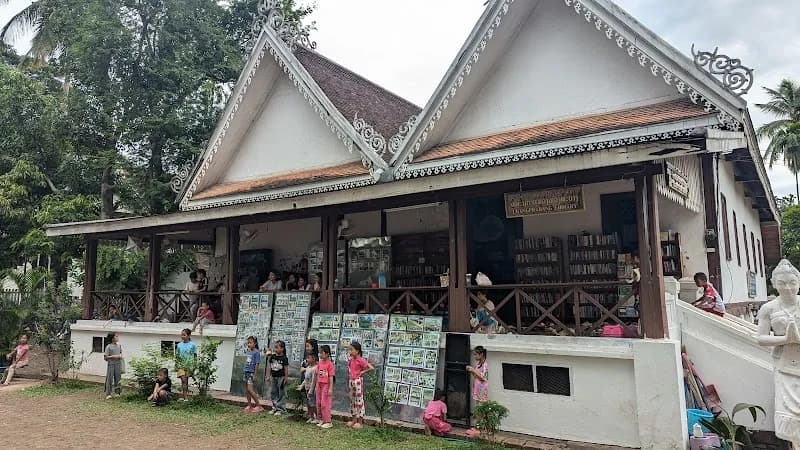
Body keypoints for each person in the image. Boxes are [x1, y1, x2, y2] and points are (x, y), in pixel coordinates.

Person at [757, 259, 800, 447]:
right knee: (790, 418)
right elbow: (761, 338)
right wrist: (785, 340)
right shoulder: (769, 308)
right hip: (784, 368)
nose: (788, 288)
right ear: (774, 284)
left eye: (792, 283)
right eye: (782, 284)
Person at [346, 341, 374, 429]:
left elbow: (371, 368)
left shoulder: (360, 360)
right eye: (349, 350)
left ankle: (360, 422)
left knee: (359, 401)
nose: (350, 352)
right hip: (351, 380)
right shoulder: (351, 360)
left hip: (357, 381)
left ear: (357, 351)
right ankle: (354, 420)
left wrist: (362, 372)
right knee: (352, 400)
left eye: (351, 350)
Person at [465, 346, 488, 437]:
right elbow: (477, 376)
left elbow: (483, 377)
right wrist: (472, 371)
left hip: (482, 390)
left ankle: (480, 428)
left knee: (480, 409)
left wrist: (473, 370)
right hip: (477, 389)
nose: (474, 357)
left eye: (475, 355)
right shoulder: (479, 364)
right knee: (478, 409)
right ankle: (478, 427)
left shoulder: (485, 364)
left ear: (481, 354)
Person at [266, 340, 289, 415]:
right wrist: (268, 376)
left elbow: (286, 368)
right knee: (273, 392)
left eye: (277, 347)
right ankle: (275, 407)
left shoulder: (284, 358)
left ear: (282, 349)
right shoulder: (273, 357)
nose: (275, 349)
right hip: (273, 377)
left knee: (281, 393)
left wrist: (286, 378)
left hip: (281, 377)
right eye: (274, 348)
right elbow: (270, 366)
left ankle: (281, 409)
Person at [315, 345, 335, 429]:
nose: (320, 354)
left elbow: (331, 377)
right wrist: (316, 385)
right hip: (319, 384)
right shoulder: (319, 363)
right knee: (319, 402)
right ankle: (321, 419)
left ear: (327, 354)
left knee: (325, 403)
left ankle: (328, 421)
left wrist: (330, 388)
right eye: (319, 353)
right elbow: (317, 375)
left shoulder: (330, 364)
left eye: (322, 353)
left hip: (326, 385)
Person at [243, 336, 264, 413]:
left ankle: (259, 406)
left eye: (250, 343)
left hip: (251, 372)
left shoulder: (257, 352)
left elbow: (257, 364)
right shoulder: (248, 351)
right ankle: (249, 405)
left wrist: (255, 374)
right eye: (248, 343)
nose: (249, 344)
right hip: (246, 371)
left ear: (255, 343)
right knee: (247, 390)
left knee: (250, 389)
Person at [175, 328, 197, 402]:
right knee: (183, 380)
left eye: (184, 335)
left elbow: (195, 356)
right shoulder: (179, 345)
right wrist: (176, 365)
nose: (182, 336)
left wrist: (195, 365)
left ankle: (184, 396)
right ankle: (185, 397)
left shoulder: (193, 345)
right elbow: (177, 356)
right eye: (181, 335)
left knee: (186, 381)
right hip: (181, 365)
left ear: (189, 335)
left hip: (189, 365)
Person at [103, 332, 123, 399]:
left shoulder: (119, 346)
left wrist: (120, 356)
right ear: (112, 338)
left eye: (118, 336)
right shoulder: (108, 347)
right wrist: (113, 356)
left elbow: (121, 354)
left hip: (118, 364)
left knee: (118, 378)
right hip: (111, 364)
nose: (118, 337)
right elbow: (105, 358)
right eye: (116, 336)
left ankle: (117, 393)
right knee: (109, 379)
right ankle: (108, 393)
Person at [300, 352, 318, 424]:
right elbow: (306, 379)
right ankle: (311, 417)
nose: (307, 359)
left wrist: (311, 390)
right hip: (307, 388)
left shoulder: (315, 368)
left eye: (309, 358)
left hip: (312, 390)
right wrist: (302, 385)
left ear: (313, 359)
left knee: (313, 404)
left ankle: (317, 417)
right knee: (309, 404)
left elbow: (314, 381)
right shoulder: (307, 367)